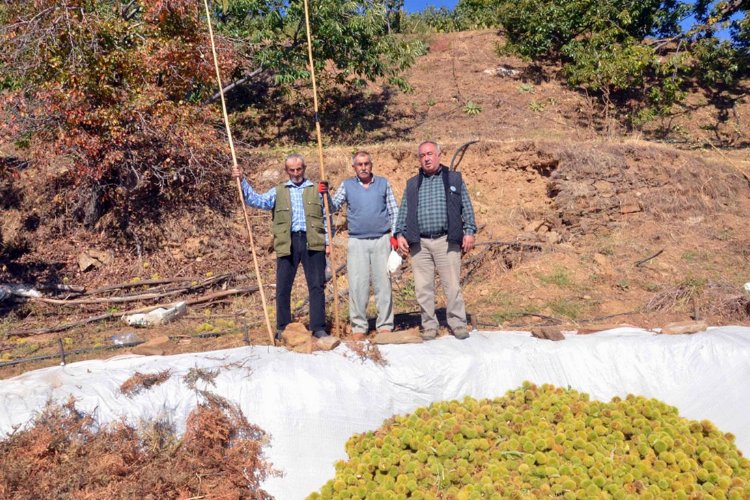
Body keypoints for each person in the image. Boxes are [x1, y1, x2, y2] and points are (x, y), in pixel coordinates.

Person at [232, 153, 330, 339]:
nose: (295, 173)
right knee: (283, 286)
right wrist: (242, 180)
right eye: (291, 170)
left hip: (313, 240)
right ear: (286, 171)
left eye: (299, 169)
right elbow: (257, 201)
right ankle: (282, 327)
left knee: (316, 285)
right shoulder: (278, 191)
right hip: (288, 242)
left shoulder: (316, 189)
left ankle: (318, 327)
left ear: (304, 168)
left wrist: (327, 241)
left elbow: (326, 214)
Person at [394, 141, 476, 340]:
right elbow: (404, 210)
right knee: (423, 288)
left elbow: (466, 206)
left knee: (452, 285)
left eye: (430, 154)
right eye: (422, 155)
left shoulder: (453, 179)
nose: (427, 158)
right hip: (419, 244)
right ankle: (429, 325)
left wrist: (469, 231)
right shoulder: (412, 184)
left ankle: (457, 323)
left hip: (446, 241)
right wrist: (399, 234)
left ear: (439, 155)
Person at [321, 151, 399, 338]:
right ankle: (359, 326)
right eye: (359, 164)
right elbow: (332, 207)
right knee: (358, 284)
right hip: (357, 241)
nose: (363, 167)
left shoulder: (383, 183)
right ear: (354, 167)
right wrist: (324, 194)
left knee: (383, 284)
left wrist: (395, 235)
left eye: (366, 164)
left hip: (382, 239)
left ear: (371, 165)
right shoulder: (347, 186)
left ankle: (385, 325)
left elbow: (394, 210)